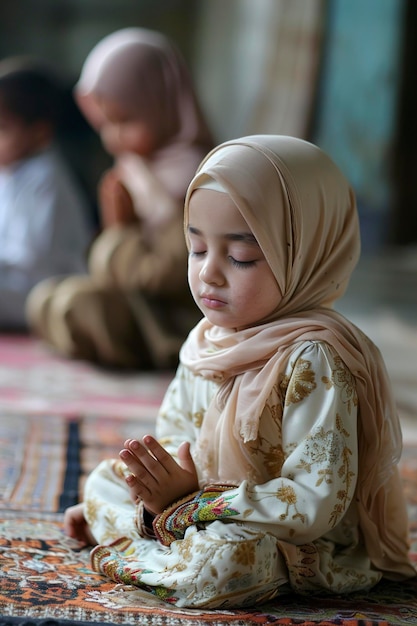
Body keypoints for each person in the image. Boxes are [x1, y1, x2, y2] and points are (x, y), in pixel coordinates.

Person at [64, 135, 416, 608]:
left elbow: (315, 503)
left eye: (240, 257)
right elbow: (176, 439)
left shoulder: (315, 359)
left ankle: (131, 545)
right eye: (195, 249)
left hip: (286, 538)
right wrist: (159, 493)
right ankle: (147, 541)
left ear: (307, 256)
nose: (209, 273)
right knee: (104, 480)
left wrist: (196, 505)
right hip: (193, 511)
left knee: (227, 562)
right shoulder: (206, 339)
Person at [26, 28, 213, 368]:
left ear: (163, 102)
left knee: (82, 305)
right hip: (135, 295)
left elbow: (169, 275)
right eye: (104, 125)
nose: (112, 140)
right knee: (45, 296)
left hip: (174, 314)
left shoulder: (198, 176)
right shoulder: (137, 167)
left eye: (125, 121)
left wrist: (122, 229)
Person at [0, 57, 93, 330]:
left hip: (45, 290)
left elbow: (32, 261)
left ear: (40, 133)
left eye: (2, 128)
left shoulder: (45, 178)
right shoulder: (10, 171)